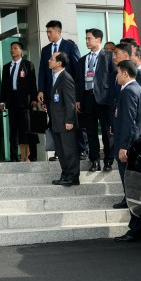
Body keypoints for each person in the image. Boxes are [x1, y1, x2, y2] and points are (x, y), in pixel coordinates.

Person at [37, 20, 83, 158]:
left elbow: (77, 70)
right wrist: (41, 90)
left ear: (58, 31)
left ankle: (80, 149)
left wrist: (77, 96)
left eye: (50, 32)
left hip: (66, 92)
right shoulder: (45, 50)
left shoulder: (69, 46)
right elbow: (42, 71)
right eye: (47, 32)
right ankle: (58, 151)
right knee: (54, 121)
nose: (48, 34)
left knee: (70, 122)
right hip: (51, 93)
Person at [110, 60, 141, 210]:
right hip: (137, 140)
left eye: (118, 72)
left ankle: (130, 200)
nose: (117, 76)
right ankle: (129, 198)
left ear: (125, 73)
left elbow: (129, 121)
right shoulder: (140, 89)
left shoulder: (128, 91)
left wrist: (123, 146)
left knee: (127, 174)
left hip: (129, 142)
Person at [76, 28, 115, 172]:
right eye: (86, 38)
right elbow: (79, 81)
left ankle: (109, 161)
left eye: (89, 38)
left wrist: (112, 99)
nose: (87, 41)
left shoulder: (109, 56)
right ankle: (94, 161)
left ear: (98, 39)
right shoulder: (82, 60)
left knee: (106, 131)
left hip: (103, 99)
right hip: (87, 98)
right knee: (90, 131)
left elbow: (113, 78)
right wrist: (78, 99)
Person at [0, 41, 37, 162]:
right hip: (12, 101)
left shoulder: (28, 65)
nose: (12, 50)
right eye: (11, 48)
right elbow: (4, 86)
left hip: (25, 102)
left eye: (15, 48)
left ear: (21, 51)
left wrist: (35, 99)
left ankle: (33, 156)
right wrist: (2, 101)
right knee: (13, 130)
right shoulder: (6, 67)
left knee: (28, 129)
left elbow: (32, 84)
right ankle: (14, 157)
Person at [46, 52, 80, 186]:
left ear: (59, 63)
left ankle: (73, 176)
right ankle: (65, 174)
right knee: (60, 150)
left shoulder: (66, 78)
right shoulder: (54, 76)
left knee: (69, 150)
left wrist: (69, 121)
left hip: (65, 122)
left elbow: (70, 102)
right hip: (56, 121)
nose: (49, 61)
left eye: (51, 59)